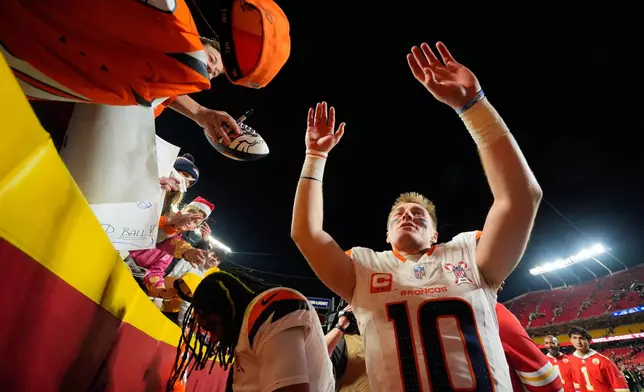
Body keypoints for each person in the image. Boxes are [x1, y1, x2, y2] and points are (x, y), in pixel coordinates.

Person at [291, 41, 542, 391]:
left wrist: (473, 106)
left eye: (419, 214)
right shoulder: (365, 268)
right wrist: (314, 157)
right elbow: (306, 233)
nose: (408, 215)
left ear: (436, 235)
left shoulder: (470, 254)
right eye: (399, 214)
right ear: (387, 234)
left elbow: (522, 197)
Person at [166, 271, 335, 392]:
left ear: (230, 311)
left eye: (213, 328)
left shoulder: (269, 312)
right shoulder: (250, 331)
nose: (212, 339)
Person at [497, 303, 563, 392]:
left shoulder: (569, 360)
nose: (549, 346)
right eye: (547, 343)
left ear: (558, 344)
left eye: (552, 343)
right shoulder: (497, 313)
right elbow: (549, 384)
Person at [567, 326, 629, 392]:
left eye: (581, 338)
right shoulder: (569, 361)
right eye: (574, 338)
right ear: (571, 340)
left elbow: (620, 387)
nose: (578, 341)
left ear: (588, 341)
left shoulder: (604, 361)